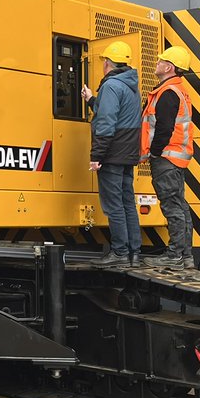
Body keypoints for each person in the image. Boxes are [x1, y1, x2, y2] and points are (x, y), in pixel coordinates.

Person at [81, 41, 142, 267]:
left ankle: (119, 252)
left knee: (113, 204)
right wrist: (91, 100)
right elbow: (116, 113)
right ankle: (134, 253)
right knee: (127, 202)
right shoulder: (131, 86)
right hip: (127, 153)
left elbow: (106, 123)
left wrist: (96, 156)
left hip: (112, 153)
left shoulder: (111, 86)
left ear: (107, 63)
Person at [140, 45, 196, 269]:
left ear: (169, 67)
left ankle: (174, 256)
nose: (157, 63)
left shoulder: (168, 93)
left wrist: (154, 152)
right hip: (174, 158)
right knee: (180, 206)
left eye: (161, 61)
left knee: (172, 207)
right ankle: (186, 256)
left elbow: (164, 128)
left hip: (166, 158)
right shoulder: (176, 91)